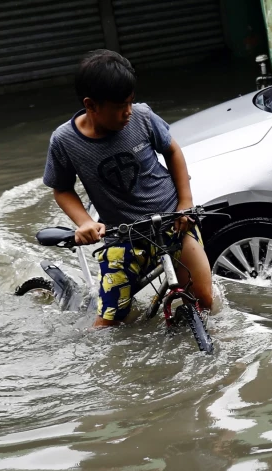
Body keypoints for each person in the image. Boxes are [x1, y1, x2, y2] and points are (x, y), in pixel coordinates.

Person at [43, 49, 213, 327]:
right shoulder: (64, 141)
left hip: (173, 221)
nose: (128, 112)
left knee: (204, 302)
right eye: (120, 106)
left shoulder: (143, 117)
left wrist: (185, 204)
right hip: (122, 235)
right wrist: (85, 223)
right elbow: (61, 189)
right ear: (91, 105)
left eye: (131, 102)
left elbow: (173, 152)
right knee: (108, 326)